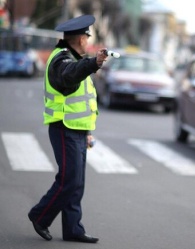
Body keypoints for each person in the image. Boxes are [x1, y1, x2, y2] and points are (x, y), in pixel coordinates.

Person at [28, 15, 108, 243]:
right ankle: (39, 216)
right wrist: (93, 63)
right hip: (64, 128)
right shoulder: (60, 60)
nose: (87, 40)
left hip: (78, 129)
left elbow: (83, 99)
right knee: (68, 180)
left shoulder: (72, 58)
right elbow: (68, 76)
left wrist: (88, 131)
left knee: (76, 182)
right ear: (80, 38)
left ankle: (73, 229)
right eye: (86, 36)